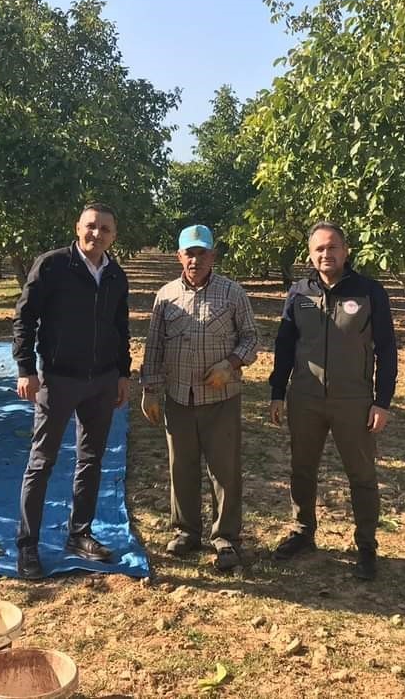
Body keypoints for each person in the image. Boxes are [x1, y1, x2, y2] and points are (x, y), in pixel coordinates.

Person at [268, 221, 397, 580]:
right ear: (310, 254)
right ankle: (303, 530)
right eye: (319, 249)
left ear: (346, 250)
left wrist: (381, 400)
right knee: (302, 469)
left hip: (353, 401)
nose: (326, 254)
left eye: (333, 247)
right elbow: (284, 345)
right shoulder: (298, 292)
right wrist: (278, 391)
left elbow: (387, 349)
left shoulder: (370, 292)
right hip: (305, 397)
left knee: (361, 475)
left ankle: (366, 545)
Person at [12, 203, 131, 580]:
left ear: (114, 235)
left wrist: (123, 373)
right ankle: (27, 546)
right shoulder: (52, 265)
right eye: (91, 226)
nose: (97, 234)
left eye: (105, 229)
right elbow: (25, 317)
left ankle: (79, 534)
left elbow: (120, 327)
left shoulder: (115, 275)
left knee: (91, 459)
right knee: (41, 462)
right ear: (78, 227)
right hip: (58, 379)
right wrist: (26, 369)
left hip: (101, 381)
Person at [140, 225, 259, 572]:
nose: (195, 259)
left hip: (221, 397)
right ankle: (185, 532)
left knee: (224, 471)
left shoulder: (232, 293)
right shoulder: (165, 296)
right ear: (179, 256)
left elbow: (251, 338)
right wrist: (150, 390)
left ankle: (226, 539)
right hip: (179, 397)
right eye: (189, 253)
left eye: (202, 252)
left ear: (213, 256)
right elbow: (155, 347)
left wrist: (231, 363)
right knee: (181, 468)